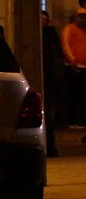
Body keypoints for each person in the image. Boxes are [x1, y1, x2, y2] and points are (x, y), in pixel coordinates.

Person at [42, 11, 65, 156]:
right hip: (49, 80)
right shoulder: (51, 39)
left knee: (47, 115)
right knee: (48, 115)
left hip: (48, 80)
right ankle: (50, 147)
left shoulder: (49, 37)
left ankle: (49, 147)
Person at [61, 6, 86, 128]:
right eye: (81, 17)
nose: (83, 19)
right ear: (75, 17)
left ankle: (81, 121)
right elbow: (66, 46)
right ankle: (73, 121)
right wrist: (72, 61)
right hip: (74, 68)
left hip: (84, 67)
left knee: (83, 96)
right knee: (74, 96)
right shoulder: (69, 29)